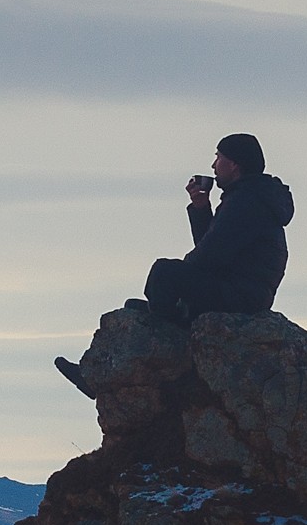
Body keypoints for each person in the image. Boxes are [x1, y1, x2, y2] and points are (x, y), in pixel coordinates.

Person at [55, 133, 293, 398]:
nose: (214, 166)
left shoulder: (247, 202)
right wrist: (201, 207)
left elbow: (209, 255)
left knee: (163, 274)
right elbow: (214, 249)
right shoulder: (248, 197)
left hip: (242, 295)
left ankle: (161, 349)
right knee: (138, 309)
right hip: (241, 290)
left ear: (234, 164)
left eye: (218, 158)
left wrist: (181, 273)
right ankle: (102, 374)